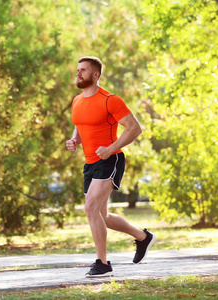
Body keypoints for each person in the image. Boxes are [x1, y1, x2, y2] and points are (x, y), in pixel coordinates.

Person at [66, 56, 156, 278]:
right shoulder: (77, 100)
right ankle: (143, 238)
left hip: (110, 159)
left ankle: (103, 263)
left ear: (95, 75)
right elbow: (80, 124)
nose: (78, 73)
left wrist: (110, 148)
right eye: (78, 70)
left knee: (90, 208)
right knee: (101, 215)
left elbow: (134, 128)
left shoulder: (110, 100)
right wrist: (74, 140)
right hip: (90, 163)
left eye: (83, 70)